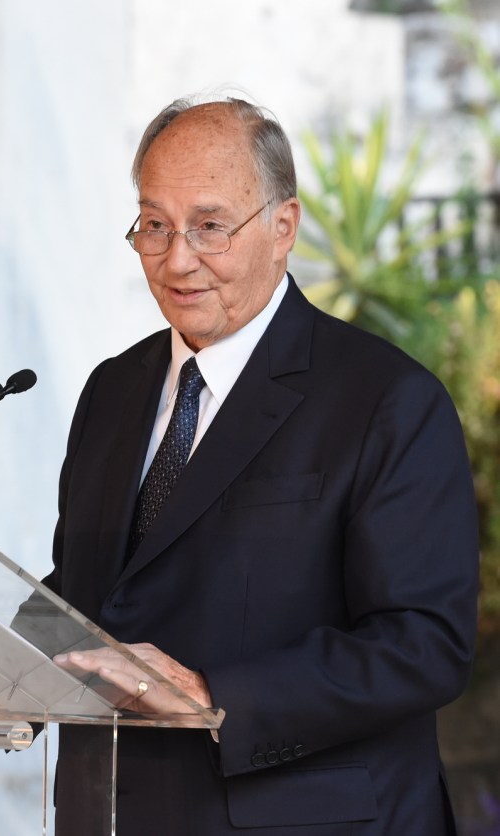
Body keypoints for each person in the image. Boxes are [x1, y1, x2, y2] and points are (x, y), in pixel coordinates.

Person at [43, 95, 479, 835]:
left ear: (284, 227)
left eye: (210, 227)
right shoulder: (112, 390)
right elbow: (97, 595)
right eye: (155, 225)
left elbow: (424, 644)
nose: (177, 259)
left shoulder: (387, 399)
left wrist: (213, 695)